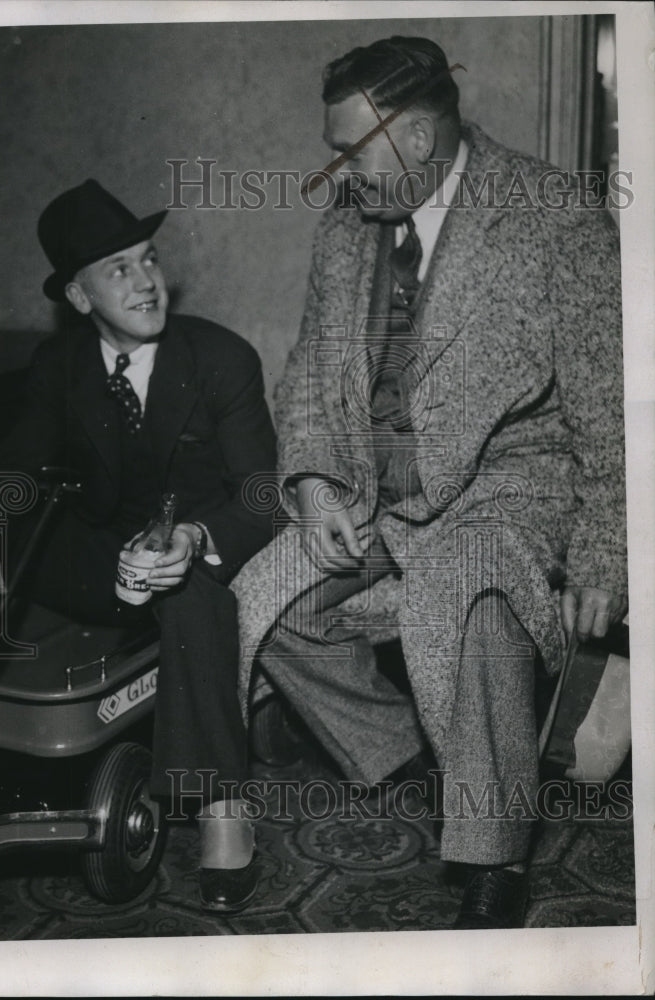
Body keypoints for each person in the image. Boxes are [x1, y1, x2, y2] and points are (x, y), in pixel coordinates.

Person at [231, 35, 627, 929]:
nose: (336, 169)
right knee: (269, 603)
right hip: (373, 496)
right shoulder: (345, 224)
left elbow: (612, 404)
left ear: (414, 138)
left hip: (507, 491)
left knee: (462, 597)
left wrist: (606, 553)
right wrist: (313, 483)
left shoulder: (551, 214)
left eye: (349, 148)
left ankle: (492, 861)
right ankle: (422, 763)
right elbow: (305, 376)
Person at [0, 178, 277, 913]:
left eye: (148, 259)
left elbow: (261, 494)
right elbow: (14, 467)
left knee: (192, 602)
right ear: (77, 297)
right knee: (8, 567)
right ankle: (0, 763)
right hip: (102, 550)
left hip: (196, 548)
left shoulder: (222, 358)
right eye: (118, 270)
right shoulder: (59, 369)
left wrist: (195, 538)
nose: (146, 282)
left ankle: (221, 804)